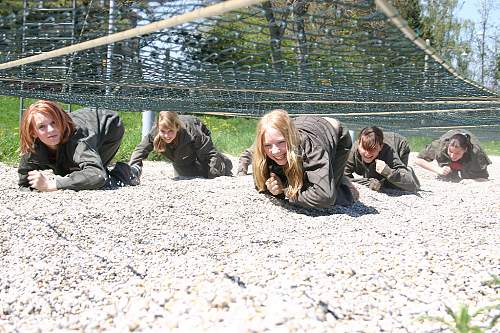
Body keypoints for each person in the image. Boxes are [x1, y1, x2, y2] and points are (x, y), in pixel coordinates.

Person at [242, 109, 358, 208]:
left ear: (290, 136)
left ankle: (345, 185)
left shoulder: (312, 149)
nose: (275, 150)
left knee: (331, 191)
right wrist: (273, 189)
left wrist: (285, 191)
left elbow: (324, 196)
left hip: (335, 133)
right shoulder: (266, 142)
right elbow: (260, 184)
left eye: (281, 142)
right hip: (304, 125)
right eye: (267, 145)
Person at [18, 100, 135, 191]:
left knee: (98, 181)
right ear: (33, 132)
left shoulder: (78, 140)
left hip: (108, 127)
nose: (51, 130)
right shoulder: (33, 147)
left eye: (54, 122)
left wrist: (51, 185)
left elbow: (96, 175)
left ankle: (126, 172)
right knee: (68, 172)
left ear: (61, 121)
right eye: (41, 126)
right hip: (83, 123)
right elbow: (25, 181)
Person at [129, 111, 233, 179]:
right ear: (158, 128)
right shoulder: (155, 133)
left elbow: (210, 154)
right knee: (185, 174)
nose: (166, 135)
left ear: (177, 127)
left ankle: (224, 162)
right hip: (180, 156)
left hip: (199, 144)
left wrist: (214, 177)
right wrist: (131, 171)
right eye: (163, 131)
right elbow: (140, 150)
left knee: (208, 170)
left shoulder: (193, 133)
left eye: (170, 131)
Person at [344, 126, 420, 192]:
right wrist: (368, 182)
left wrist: (388, 172)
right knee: (376, 183)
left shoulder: (389, 153)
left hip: (399, 145)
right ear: (359, 144)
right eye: (364, 148)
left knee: (393, 185)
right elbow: (343, 177)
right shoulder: (354, 150)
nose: (367, 154)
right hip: (371, 170)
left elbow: (411, 185)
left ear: (381, 147)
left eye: (372, 149)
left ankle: (407, 170)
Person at [415, 129, 491, 181]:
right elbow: (418, 160)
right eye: (450, 151)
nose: (452, 156)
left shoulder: (476, 152)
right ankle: (451, 168)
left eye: (457, 153)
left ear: (465, 150)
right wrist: (439, 170)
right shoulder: (440, 145)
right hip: (451, 136)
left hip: (468, 155)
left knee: (470, 175)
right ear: (447, 146)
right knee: (448, 174)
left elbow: (484, 176)